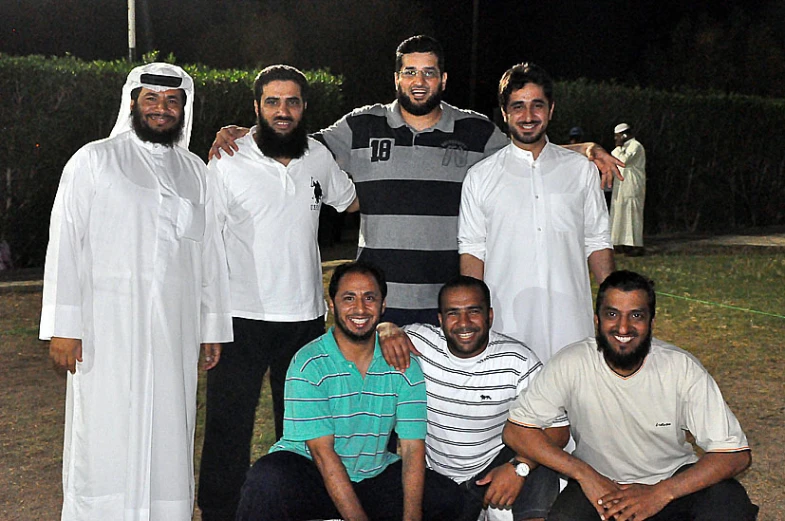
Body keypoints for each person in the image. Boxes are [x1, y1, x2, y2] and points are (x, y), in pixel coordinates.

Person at [209, 35, 624, 327]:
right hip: (378, 302)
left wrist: (586, 149)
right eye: (410, 72)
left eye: (429, 73)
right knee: (380, 417)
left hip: (446, 303)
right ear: (397, 78)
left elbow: (529, 151)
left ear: (443, 80)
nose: (419, 81)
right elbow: (296, 144)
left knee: (434, 417)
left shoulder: (475, 131)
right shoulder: (360, 125)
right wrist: (243, 132)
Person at [39, 63, 233, 521]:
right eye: (152, 99)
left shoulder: (196, 172)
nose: (161, 110)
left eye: (172, 101)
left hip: (175, 332)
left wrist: (212, 328)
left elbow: (210, 256)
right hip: (106, 332)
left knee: (170, 431)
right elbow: (66, 242)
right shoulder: (95, 159)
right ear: (133, 102)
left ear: (184, 108)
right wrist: (63, 328)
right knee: (105, 435)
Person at [197, 64, 359, 521]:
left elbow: (351, 200)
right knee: (229, 425)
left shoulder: (318, 158)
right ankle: (219, 511)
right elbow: (208, 242)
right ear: (256, 108)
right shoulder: (228, 157)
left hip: (305, 320)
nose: (282, 111)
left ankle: (295, 506)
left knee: (303, 427)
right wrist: (209, 320)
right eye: (272, 102)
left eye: (291, 102)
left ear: (305, 107)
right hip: (239, 318)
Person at [503, 270, 759, 521]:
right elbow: (517, 430)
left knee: (729, 499)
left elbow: (734, 454)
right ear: (597, 320)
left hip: (670, 484)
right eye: (612, 314)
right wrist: (584, 474)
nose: (623, 327)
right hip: (599, 486)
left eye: (636, 315)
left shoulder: (680, 367)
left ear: (651, 323)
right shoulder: (571, 362)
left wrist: (661, 493)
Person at [235, 261, 461, 521]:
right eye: (349, 298)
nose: (360, 308)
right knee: (267, 478)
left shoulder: (403, 364)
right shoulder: (309, 363)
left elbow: (412, 449)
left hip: (371, 474)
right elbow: (323, 454)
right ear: (332, 305)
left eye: (370, 298)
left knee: (446, 498)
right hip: (313, 474)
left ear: (383, 305)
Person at [377, 275, 569, 521]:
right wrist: (384, 328)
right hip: (437, 478)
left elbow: (559, 430)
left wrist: (519, 468)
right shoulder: (419, 342)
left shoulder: (517, 360)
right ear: (440, 319)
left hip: (496, 467)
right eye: (453, 313)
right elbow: (373, 336)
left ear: (490, 316)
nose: (463, 323)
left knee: (542, 465)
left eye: (473, 311)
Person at [458, 62, 615, 363]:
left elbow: (597, 240)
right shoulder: (480, 177)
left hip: (572, 329)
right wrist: (472, 318)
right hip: (505, 330)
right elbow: (472, 252)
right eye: (518, 106)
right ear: (504, 112)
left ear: (551, 109)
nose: (528, 116)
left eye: (537, 105)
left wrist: (614, 305)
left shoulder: (580, 171)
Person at [610, 122, 646, 256]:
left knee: (632, 214)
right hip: (621, 186)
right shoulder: (621, 148)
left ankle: (635, 245)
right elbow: (612, 158)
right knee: (619, 213)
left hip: (632, 184)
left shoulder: (635, 146)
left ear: (625, 135)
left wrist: (619, 148)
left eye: (618, 136)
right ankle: (619, 243)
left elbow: (623, 161)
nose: (616, 139)